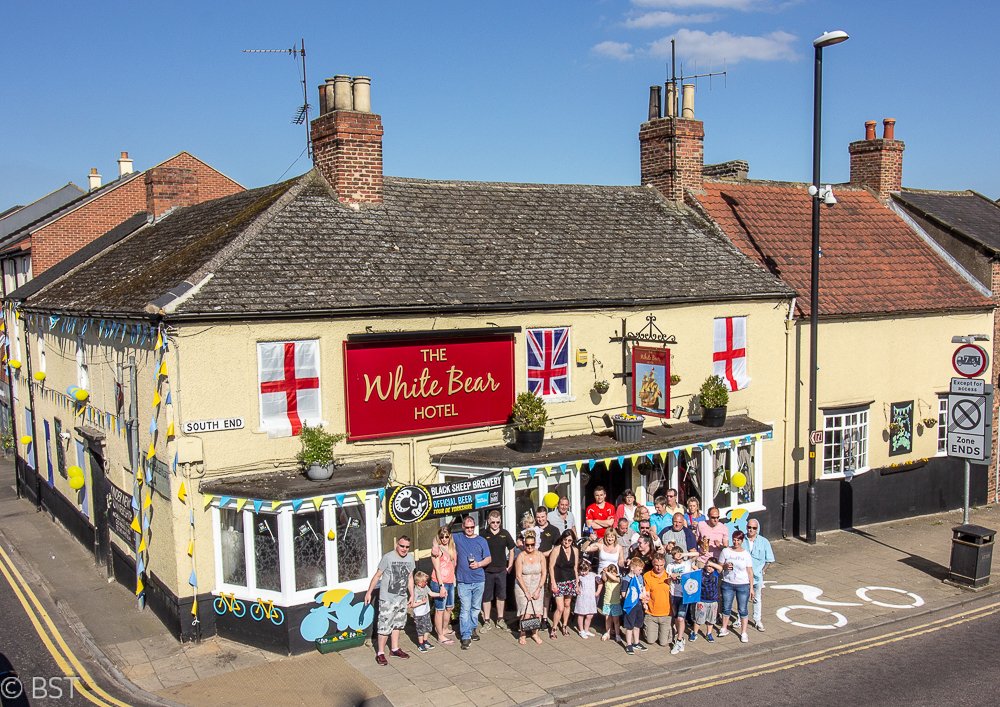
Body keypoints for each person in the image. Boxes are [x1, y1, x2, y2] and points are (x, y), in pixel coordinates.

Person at [364, 535, 415, 665]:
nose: (404, 549)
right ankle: (380, 652)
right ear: (397, 545)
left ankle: (395, 648)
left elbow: (410, 578)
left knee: (398, 624)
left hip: (401, 597)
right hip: (388, 598)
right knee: (384, 626)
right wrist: (369, 592)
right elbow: (377, 576)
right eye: (402, 546)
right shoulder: (388, 557)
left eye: (407, 547)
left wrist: (412, 594)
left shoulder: (410, 558)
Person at [452, 516, 492, 649]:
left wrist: (479, 564)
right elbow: (442, 534)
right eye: (467, 527)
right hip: (463, 580)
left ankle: (473, 628)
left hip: (479, 579)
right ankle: (465, 636)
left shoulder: (481, 540)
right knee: (465, 609)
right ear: (463, 527)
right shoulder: (458, 537)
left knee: (475, 608)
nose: (469, 529)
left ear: (474, 527)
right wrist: (452, 520)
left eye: (471, 527)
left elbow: (488, 558)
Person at [480, 510, 516, 631]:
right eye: (493, 522)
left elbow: (512, 549)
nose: (495, 524)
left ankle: (500, 619)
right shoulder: (483, 534)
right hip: (487, 570)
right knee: (487, 596)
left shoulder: (505, 534)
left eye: (498, 522)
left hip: (501, 570)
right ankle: (486, 621)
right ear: (488, 521)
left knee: (501, 596)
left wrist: (510, 565)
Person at [718, 530, 754, 643]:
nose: (736, 542)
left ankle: (744, 632)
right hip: (728, 583)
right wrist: (724, 566)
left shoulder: (745, 554)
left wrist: (751, 588)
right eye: (734, 539)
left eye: (738, 540)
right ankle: (724, 628)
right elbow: (719, 567)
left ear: (742, 541)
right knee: (726, 607)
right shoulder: (726, 551)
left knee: (742, 609)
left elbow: (749, 571)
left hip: (743, 585)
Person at [513, 533, 547, 645]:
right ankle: (522, 634)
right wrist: (526, 592)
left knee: (537, 613)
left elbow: (544, 574)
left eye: (532, 545)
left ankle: (534, 633)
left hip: (537, 585)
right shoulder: (521, 556)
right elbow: (518, 575)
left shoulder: (540, 555)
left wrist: (538, 589)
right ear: (524, 544)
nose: (530, 547)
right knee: (526, 612)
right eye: (527, 545)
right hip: (523, 585)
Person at [745, 519, 775, 632]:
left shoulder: (764, 542)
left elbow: (770, 560)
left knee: (757, 599)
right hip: (743, 576)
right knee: (742, 599)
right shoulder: (742, 540)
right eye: (749, 527)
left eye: (754, 528)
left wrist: (763, 570)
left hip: (757, 576)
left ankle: (757, 620)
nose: (751, 530)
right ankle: (740, 619)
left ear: (757, 529)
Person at [548, 530, 579, 638]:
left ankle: (565, 625)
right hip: (559, 581)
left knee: (567, 605)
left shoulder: (575, 550)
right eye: (565, 540)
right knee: (560, 607)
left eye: (569, 540)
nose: (567, 542)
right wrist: (553, 582)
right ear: (562, 539)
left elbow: (575, 568)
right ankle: (554, 627)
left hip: (570, 581)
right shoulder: (556, 550)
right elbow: (551, 567)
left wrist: (577, 583)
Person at [430, 526, 457, 644]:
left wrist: (454, 579)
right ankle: (440, 635)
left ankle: (445, 628)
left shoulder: (452, 547)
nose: (444, 539)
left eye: (446, 536)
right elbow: (437, 569)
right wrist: (441, 586)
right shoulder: (437, 550)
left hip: (450, 580)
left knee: (449, 607)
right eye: (442, 537)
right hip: (439, 582)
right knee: (439, 609)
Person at [666, 546, 694, 654]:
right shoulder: (670, 566)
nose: (677, 557)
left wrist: (684, 554)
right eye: (675, 555)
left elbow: (697, 554)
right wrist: (671, 577)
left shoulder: (687, 563)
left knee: (681, 618)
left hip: (684, 595)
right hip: (674, 594)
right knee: (676, 618)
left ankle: (678, 640)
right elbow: (667, 580)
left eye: (679, 554)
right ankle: (681, 637)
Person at [642, 552, 673, 648]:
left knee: (663, 643)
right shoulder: (647, 576)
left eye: (661, 565)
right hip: (651, 613)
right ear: (653, 564)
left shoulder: (669, 575)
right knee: (650, 641)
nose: (659, 568)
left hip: (666, 613)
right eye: (656, 565)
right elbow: (645, 593)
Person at [690, 553, 722, 644]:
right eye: (708, 566)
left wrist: (711, 563)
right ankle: (695, 633)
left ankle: (709, 633)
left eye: (711, 566)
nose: (709, 568)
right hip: (701, 600)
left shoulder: (716, 573)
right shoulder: (701, 572)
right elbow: (692, 566)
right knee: (698, 619)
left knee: (711, 619)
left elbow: (720, 568)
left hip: (713, 601)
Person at [411, 571, 446, 652]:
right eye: (424, 582)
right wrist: (421, 602)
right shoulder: (415, 592)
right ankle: (420, 644)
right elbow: (412, 605)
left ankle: (425, 641)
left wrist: (439, 595)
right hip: (419, 614)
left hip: (426, 612)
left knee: (428, 627)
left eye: (426, 581)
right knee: (420, 630)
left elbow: (431, 593)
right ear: (418, 583)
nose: (426, 583)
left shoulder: (425, 587)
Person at [621, 557, 649, 655]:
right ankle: (628, 644)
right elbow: (624, 594)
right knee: (629, 626)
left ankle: (636, 642)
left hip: (639, 604)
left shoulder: (640, 578)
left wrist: (644, 602)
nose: (641, 571)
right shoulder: (626, 579)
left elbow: (643, 589)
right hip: (630, 606)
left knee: (637, 625)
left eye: (641, 569)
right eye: (639, 569)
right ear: (632, 568)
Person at [575, 559, 599, 638]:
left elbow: (601, 582)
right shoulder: (579, 576)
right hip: (582, 597)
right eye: (582, 571)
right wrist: (577, 587)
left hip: (591, 598)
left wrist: (598, 592)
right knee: (581, 614)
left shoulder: (593, 575)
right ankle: (581, 630)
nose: (584, 573)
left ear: (589, 568)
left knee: (590, 615)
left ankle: (586, 629)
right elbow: (576, 584)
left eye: (585, 570)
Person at [599, 564, 623, 642]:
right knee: (607, 619)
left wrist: (608, 572)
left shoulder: (618, 579)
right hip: (607, 603)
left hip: (615, 603)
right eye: (610, 572)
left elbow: (614, 578)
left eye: (614, 572)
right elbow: (603, 577)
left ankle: (617, 634)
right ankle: (607, 633)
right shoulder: (607, 580)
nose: (612, 574)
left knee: (616, 620)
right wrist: (604, 571)